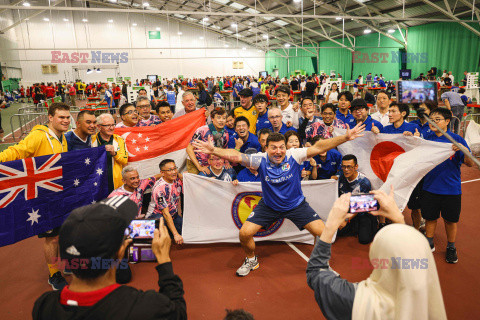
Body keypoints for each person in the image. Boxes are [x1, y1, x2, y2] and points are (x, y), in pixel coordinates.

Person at [192, 123, 365, 277]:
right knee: (244, 234)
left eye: (281, 147)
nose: (278, 151)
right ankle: (251, 260)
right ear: (266, 149)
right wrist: (213, 150)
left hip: (296, 205)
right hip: (269, 206)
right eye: (273, 148)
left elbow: (319, 147)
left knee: (324, 233)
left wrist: (345, 137)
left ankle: (319, 263)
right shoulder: (259, 160)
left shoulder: (294, 155)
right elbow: (236, 156)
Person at [32, 197, 187, 319]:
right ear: (120, 252)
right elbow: (178, 312)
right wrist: (164, 262)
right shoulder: (143, 307)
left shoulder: (44, 306)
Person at [307, 189, 447, 320]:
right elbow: (412, 250)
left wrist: (330, 224)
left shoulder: (354, 300)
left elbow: (315, 273)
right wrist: (398, 219)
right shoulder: (425, 296)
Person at [0, 102, 71, 290]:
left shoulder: (62, 137)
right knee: (52, 238)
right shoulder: (39, 135)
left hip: (58, 193)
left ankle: (66, 262)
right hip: (43, 197)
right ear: (50, 117)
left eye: (67, 117)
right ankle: (54, 273)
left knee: (63, 231)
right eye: (61, 117)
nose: (65, 120)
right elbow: (18, 150)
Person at [421, 107, 475, 263]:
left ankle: (451, 247)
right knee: (430, 218)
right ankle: (429, 242)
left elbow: (470, 163)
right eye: (431, 119)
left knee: (450, 220)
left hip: (451, 189)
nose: (433, 122)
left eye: (437, 119)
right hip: (429, 187)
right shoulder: (426, 139)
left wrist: (464, 150)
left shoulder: (456, 140)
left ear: (446, 122)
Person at [337, 154, 378, 244]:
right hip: (348, 209)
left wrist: (346, 220)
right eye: (343, 167)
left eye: (349, 167)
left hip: (362, 211)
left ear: (356, 167)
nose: (346, 170)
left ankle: (373, 224)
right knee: (337, 233)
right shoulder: (341, 176)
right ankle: (353, 226)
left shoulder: (364, 182)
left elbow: (362, 205)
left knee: (364, 240)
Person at [147, 159, 184, 245]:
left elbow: (177, 199)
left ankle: (170, 231)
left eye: (175, 168)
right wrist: (176, 234)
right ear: (162, 173)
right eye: (170, 170)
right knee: (162, 221)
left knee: (186, 233)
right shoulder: (159, 188)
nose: (174, 172)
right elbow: (165, 213)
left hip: (172, 215)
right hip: (156, 216)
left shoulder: (177, 181)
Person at [92, 113, 128, 191]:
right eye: (107, 125)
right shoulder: (92, 140)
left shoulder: (119, 140)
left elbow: (124, 160)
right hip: (97, 182)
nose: (111, 128)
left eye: (113, 125)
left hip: (116, 184)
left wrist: (114, 153)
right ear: (99, 127)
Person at [186, 107, 229, 174]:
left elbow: (224, 149)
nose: (221, 120)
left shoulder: (225, 134)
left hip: (212, 164)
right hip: (196, 162)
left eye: (224, 118)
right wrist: (199, 167)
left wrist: (226, 162)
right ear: (212, 118)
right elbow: (189, 148)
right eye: (218, 117)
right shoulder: (202, 130)